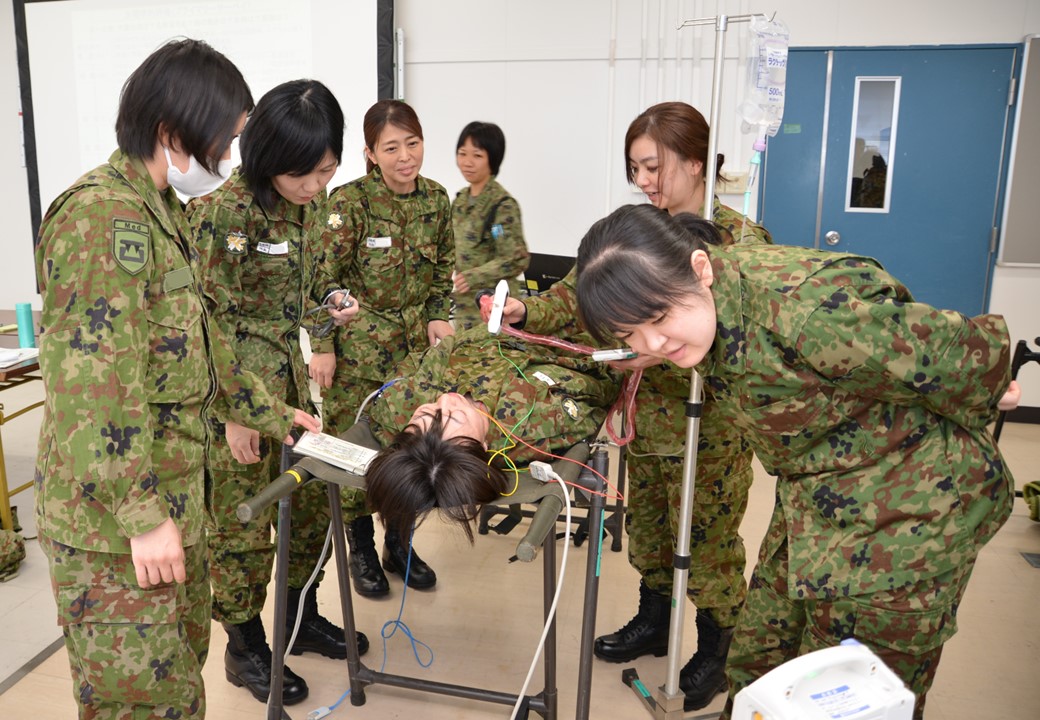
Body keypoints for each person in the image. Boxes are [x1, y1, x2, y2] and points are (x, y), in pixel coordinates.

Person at [575, 204, 1020, 720]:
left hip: (911, 511)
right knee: (760, 665)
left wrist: (991, 391)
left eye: (657, 319)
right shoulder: (704, 307)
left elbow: (964, 351)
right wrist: (650, 340)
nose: (654, 343)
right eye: (630, 334)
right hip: (817, 496)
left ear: (700, 269)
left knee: (856, 692)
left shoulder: (805, 313)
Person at [33, 39, 315, 719]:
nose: (232, 156)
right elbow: (90, 389)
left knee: (178, 691)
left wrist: (277, 414)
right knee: (143, 704)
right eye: (229, 138)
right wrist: (142, 515)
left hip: (173, 506)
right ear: (170, 132)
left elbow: (202, 349)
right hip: (117, 528)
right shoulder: (105, 218)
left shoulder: (163, 216)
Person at [488, 101, 771, 709]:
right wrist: (526, 312)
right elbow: (579, 298)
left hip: (711, 426)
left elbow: (744, 339)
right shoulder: (639, 230)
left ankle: (717, 649)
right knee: (648, 529)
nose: (644, 181)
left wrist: (660, 354)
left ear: (695, 163)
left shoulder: (739, 242)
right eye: (634, 169)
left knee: (706, 538)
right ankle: (653, 620)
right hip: (649, 420)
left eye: (653, 167)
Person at [188, 79, 363, 706]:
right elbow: (209, 329)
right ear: (267, 158)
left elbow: (306, 292)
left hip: (291, 390)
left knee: (308, 506)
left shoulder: (309, 208)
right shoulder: (222, 215)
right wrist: (237, 415)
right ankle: (244, 645)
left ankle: (298, 616)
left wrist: (329, 310)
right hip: (236, 397)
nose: (316, 186)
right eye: (303, 174)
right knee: (243, 523)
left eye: (327, 171)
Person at [311, 99, 454, 597]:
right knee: (355, 454)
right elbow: (321, 279)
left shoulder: (437, 199)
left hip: (415, 356)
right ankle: (362, 549)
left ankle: (400, 543)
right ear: (370, 153)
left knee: (410, 450)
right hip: (356, 354)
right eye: (391, 148)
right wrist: (323, 344)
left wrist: (440, 313)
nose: (405, 157)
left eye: (412, 143)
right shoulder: (348, 204)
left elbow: (442, 271)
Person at [363, 329, 619, 540]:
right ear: (484, 446)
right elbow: (601, 385)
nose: (445, 400)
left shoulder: (396, 409)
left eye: (425, 414)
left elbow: (422, 360)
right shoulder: (540, 421)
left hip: (490, 325)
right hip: (560, 332)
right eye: (456, 416)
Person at [450, 121, 529, 330]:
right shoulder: (459, 202)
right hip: (464, 311)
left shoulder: (501, 205)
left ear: (492, 160)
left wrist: (475, 275)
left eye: (477, 155)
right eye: (462, 153)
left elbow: (516, 259)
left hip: (496, 311)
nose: (467, 162)